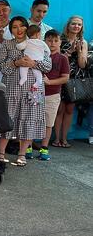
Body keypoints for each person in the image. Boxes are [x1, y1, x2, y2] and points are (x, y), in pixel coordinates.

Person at [0, 16, 52, 166]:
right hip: (12, 89)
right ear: (11, 30)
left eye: (21, 26)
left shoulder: (39, 43)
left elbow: (48, 66)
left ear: (27, 27)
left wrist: (34, 63)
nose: (19, 29)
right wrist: (16, 63)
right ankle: (1, 153)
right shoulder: (7, 44)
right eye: (15, 27)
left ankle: (22, 154)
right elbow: (1, 66)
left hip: (34, 89)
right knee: (8, 118)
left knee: (30, 118)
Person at [53, 15, 88, 148]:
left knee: (69, 109)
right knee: (60, 109)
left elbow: (82, 65)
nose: (76, 26)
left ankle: (64, 139)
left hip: (75, 80)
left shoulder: (83, 42)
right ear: (68, 25)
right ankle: (56, 139)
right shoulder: (60, 40)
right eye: (74, 24)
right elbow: (57, 61)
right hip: (61, 77)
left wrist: (79, 52)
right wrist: (70, 51)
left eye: (79, 24)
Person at [38, 30, 69, 160]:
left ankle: (44, 148)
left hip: (53, 95)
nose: (52, 43)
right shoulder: (39, 56)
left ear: (60, 42)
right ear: (44, 41)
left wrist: (49, 82)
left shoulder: (62, 58)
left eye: (56, 41)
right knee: (32, 121)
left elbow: (65, 78)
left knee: (48, 123)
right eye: (49, 40)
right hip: (36, 94)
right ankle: (27, 146)